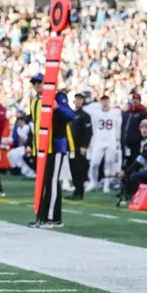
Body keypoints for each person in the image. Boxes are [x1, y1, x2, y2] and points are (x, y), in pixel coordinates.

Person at [29, 86, 76, 228]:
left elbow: (71, 115)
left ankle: (48, 218)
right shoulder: (36, 101)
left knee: (52, 181)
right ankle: (53, 217)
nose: (36, 85)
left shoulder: (58, 97)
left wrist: (58, 107)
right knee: (48, 182)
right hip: (43, 147)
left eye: (39, 82)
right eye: (34, 83)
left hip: (55, 146)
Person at [86, 95, 122, 193]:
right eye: (103, 101)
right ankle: (93, 182)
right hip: (99, 141)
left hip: (111, 141)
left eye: (106, 101)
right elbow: (93, 127)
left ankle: (106, 184)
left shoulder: (115, 113)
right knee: (94, 163)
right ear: (100, 102)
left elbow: (118, 127)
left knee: (109, 163)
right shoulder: (96, 113)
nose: (105, 103)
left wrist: (117, 140)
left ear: (109, 101)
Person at [66, 93, 92, 200]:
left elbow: (88, 132)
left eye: (80, 99)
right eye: (76, 99)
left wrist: (85, 146)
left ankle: (80, 192)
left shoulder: (85, 116)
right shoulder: (71, 114)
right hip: (71, 146)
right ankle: (76, 190)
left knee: (79, 168)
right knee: (73, 168)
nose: (78, 101)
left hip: (79, 146)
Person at [122, 93, 147, 169]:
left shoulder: (143, 113)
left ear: (140, 101)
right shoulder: (127, 113)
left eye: (137, 99)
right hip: (125, 143)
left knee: (135, 162)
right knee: (124, 162)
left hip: (136, 143)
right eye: (134, 99)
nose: (135, 101)